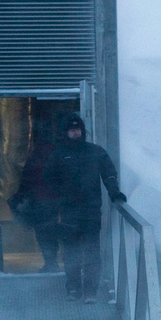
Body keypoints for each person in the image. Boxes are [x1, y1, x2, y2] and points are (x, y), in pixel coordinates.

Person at [45, 113, 127, 303]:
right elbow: (48, 178)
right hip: (68, 212)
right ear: (66, 132)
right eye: (72, 129)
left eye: (78, 129)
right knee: (71, 252)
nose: (75, 132)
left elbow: (109, 174)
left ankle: (90, 291)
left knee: (92, 252)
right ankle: (73, 288)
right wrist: (61, 194)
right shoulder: (58, 154)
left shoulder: (95, 151)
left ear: (82, 131)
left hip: (91, 212)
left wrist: (114, 192)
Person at [13, 131, 61, 273]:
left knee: (42, 233)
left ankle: (50, 261)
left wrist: (20, 196)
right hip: (54, 200)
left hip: (39, 200)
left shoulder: (34, 157)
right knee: (52, 231)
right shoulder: (56, 155)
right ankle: (54, 261)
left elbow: (26, 180)